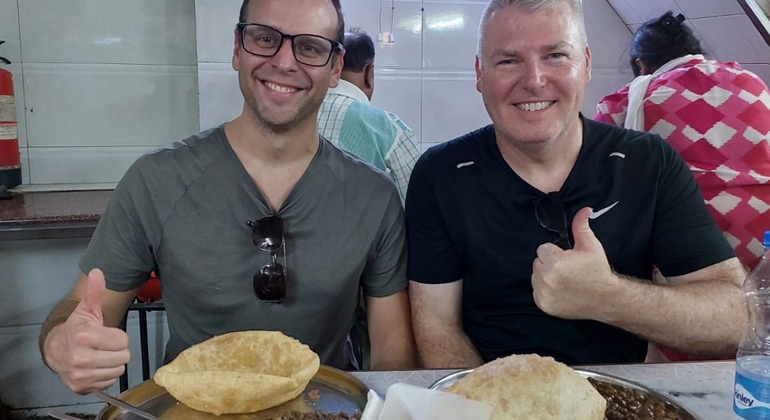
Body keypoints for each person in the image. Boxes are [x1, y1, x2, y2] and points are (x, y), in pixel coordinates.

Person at [38, 0, 417, 395]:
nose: (285, 62)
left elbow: (391, 347)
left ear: (336, 67)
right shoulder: (156, 181)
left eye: (309, 47)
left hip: (323, 406)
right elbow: (82, 311)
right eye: (265, 38)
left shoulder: (374, 196)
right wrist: (61, 345)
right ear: (237, 48)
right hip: (192, 407)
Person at [405, 0, 747, 369]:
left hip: (622, 397)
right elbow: (438, 328)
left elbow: (736, 319)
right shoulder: (440, 174)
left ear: (585, 64)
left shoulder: (648, 162)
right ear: (479, 73)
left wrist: (606, 296)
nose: (534, 80)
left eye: (555, 55)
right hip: (490, 399)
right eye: (508, 60)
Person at [595, 11, 770, 271]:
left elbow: (591, 169)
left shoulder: (625, 104)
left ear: (641, 65)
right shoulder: (752, 82)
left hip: (695, 248)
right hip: (763, 243)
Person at [317, 28, 419, 202]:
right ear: (368, 72)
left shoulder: (298, 115)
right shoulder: (389, 130)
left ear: (332, 66)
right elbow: (418, 202)